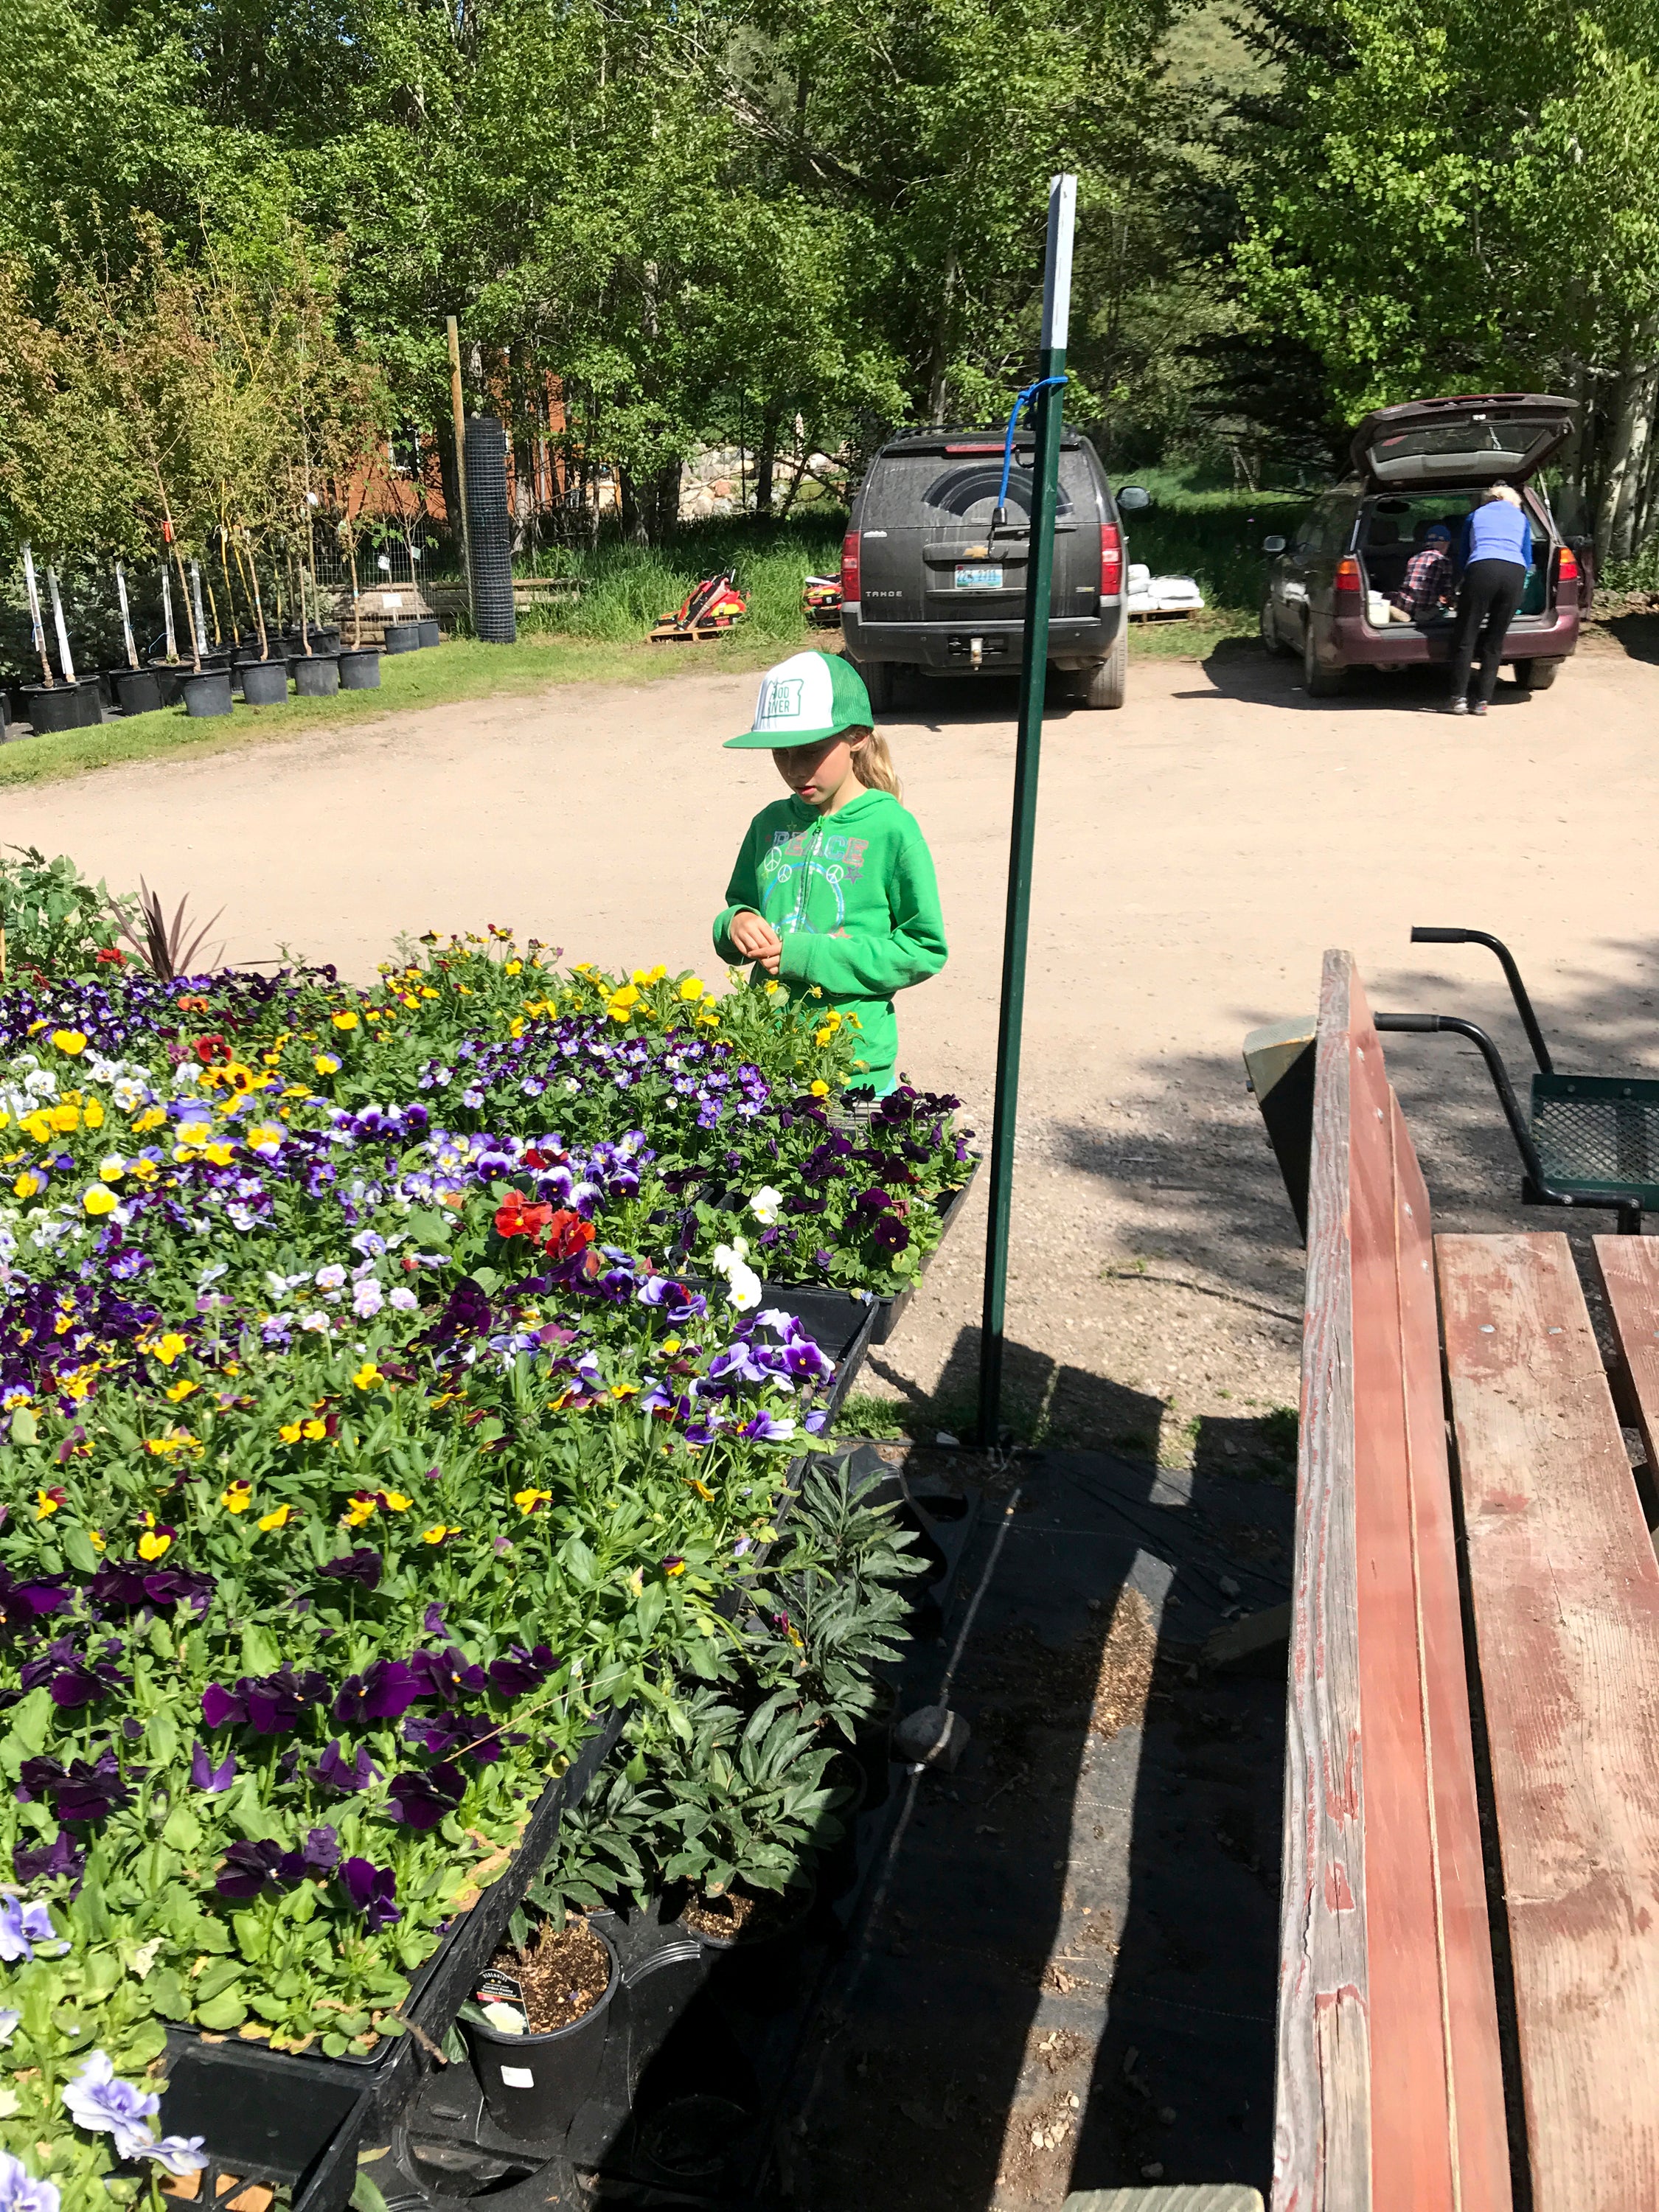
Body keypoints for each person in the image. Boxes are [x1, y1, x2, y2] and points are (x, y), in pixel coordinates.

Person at [713, 651, 947, 1094]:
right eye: (781, 752)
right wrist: (735, 924)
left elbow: (923, 949)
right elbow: (739, 905)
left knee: (844, 1163)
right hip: (766, 1054)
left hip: (851, 1065)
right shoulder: (769, 824)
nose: (795, 769)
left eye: (812, 750)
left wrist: (810, 958)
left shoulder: (890, 829)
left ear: (856, 736)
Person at [1446, 485, 1533, 716]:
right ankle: (1483, 701)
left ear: (1491, 499)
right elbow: (1527, 556)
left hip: (1482, 569)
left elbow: (1464, 553)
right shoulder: (1522, 519)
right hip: (1514, 573)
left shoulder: (1476, 516)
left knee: (1467, 635)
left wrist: (1461, 582)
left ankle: (1458, 699)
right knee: (1495, 639)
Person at [1389, 521, 1454, 624]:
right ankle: (1420, 616)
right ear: (1445, 543)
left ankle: (1403, 613)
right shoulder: (1444, 561)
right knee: (1438, 611)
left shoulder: (1414, 558)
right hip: (1424, 608)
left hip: (1404, 605)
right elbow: (1445, 591)